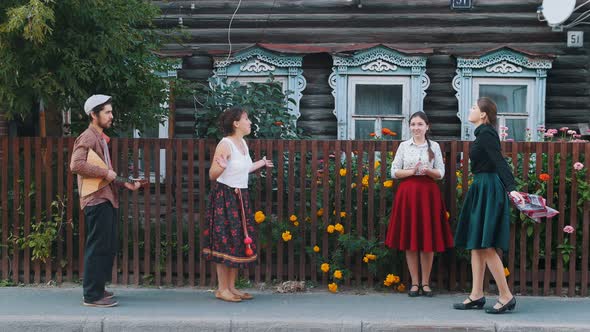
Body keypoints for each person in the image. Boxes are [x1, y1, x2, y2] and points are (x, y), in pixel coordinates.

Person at [453, 97, 524, 314]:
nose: (470, 109)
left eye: (474, 107)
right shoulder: (482, 134)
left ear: (483, 114)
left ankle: (506, 295)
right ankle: (476, 295)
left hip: (488, 188)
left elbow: (498, 160)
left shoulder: (486, 134)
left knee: (486, 244)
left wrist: (511, 187)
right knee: (477, 243)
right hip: (481, 187)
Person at [70, 94, 142, 307]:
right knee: (98, 246)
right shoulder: (88, 137)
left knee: (106, 246)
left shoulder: (100, 138)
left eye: (111, 111)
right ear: (94, 115)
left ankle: (98, 288)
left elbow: (106, 175)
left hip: (106, 198)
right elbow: (76, 165)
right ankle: (91, 295)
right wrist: (105, 173)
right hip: (96, 200)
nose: (112, 116)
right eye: (107, 112)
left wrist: (125, 182)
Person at [202, 107, 274, 302]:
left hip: (240, 196)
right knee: (224, 241)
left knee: (237, 242)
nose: (249, 122)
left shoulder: (242, 143)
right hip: (225, 197)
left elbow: (243, 170)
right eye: (246, 119)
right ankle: (222, 288)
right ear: (236, 123)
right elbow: (212, 175)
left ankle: (232, 287)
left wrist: (260, 163)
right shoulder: (224, 144)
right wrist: (221, 168)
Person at [385, 111, 454, 297]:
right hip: (408, 194)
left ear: (427, 127)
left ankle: (426, 283)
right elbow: (393, 171)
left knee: (427, 239)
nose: (416, 127)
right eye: (413, 124)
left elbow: (441, 172)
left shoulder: (435, 147)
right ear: (410, 126)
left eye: (420, 124)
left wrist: (427, 171)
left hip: (428, 195)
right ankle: (414, 283)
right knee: (411, 238)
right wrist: (412, 171)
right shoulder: (404, 146)